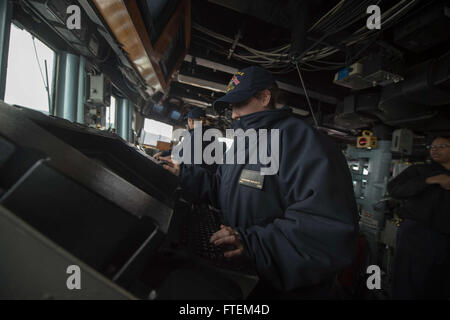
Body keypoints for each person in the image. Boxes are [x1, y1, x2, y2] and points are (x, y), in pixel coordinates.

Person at [161, 66, 359, 299]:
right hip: (250, 276)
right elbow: (220, 187)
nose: (233, 114)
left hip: (286, 289)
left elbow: (325, 229)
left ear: (265, 97)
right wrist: (182, 174)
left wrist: (254, 245)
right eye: (231, 107)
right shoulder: (242, 144)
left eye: (239, 104)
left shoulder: (303, 143)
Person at [388, 136, 450, 300]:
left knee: (437, 281)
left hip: (444, 236)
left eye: (442, 146)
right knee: (407, 281)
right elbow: (394, 189)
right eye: (433, 146)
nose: (435, 149)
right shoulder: (420, 170)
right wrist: (430, 180)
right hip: (416, 233)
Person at [155, 107, 219, 173]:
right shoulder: (212, 135)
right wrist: (163, 153)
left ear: (190, 121)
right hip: (207, 178)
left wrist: (165, 156)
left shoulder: (195, 134)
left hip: (194, 177)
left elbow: (183, 156)